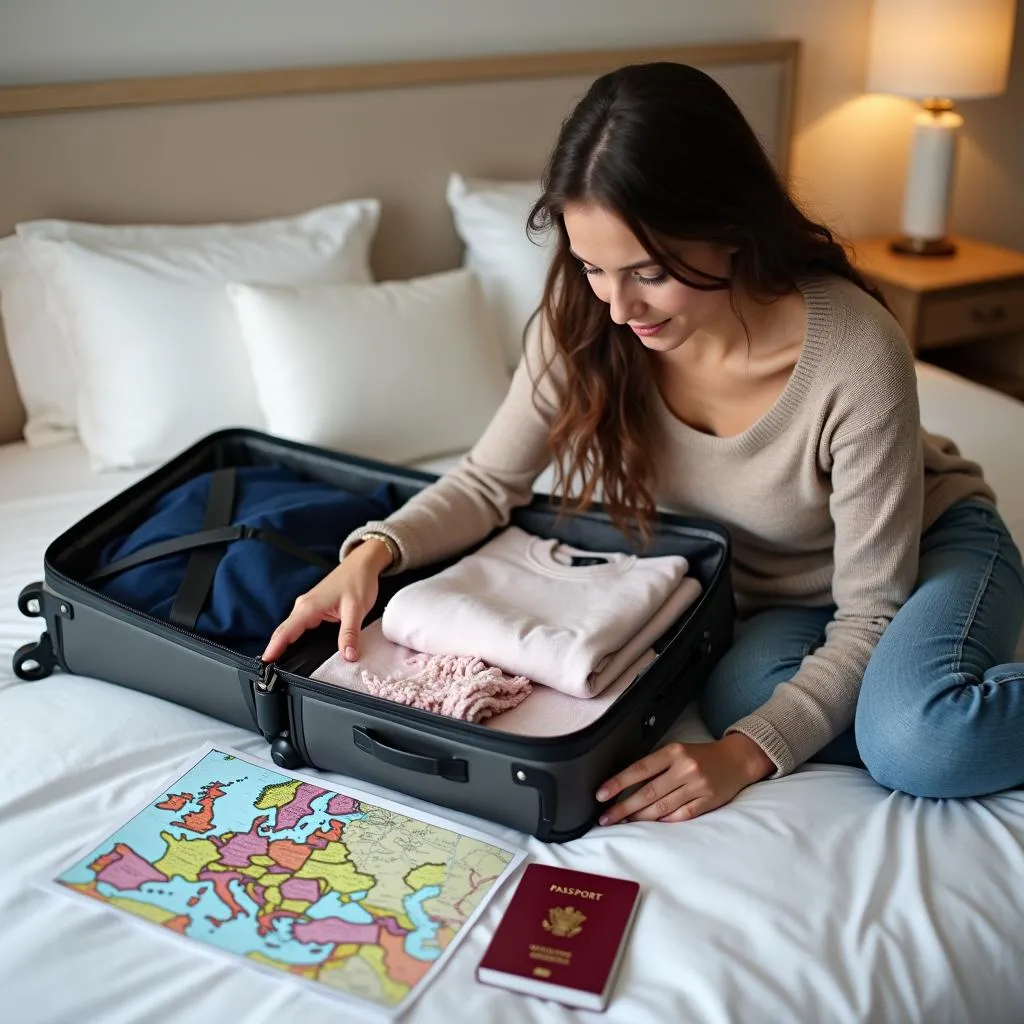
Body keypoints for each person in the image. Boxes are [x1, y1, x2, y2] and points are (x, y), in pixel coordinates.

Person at [262, 62, 1024, 824]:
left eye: (651, 273)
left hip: (925, 549)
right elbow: (490, 483)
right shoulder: (587, 325)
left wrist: (743, 756)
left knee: (917, 744)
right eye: (594, 267)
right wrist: (371, 555)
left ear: (730, 227)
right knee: (737, 696)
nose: (621, 307)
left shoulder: (853, 351)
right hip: (774, 599)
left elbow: (870, 611)